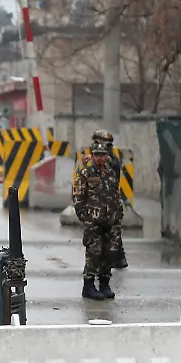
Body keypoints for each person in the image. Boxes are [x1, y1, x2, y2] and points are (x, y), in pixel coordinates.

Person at [72, 143, 123, 301]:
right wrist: (86, 217)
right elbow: (78, 197)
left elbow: (116, 194)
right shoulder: (85, 174)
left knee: (108, 253)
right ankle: (88, 286)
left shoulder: (111, 173)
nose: (100, 158)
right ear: (92, 156)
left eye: (103, 155)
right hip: (93, 222)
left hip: (110, 221)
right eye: (97, 155)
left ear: (107, 156)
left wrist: (118, 213)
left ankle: (104, 284)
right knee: (94, 254)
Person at [87, 129, 128, 270]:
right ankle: (116, 259)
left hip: (107, 202)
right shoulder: (110, 158)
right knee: (112, 233)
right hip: (107, 202)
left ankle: (113, 259)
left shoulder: (109, 160)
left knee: (107, 233)